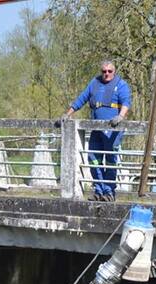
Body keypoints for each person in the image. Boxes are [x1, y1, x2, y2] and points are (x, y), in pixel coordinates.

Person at [58, 60, 131, 202]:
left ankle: (109, 192)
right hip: (96, 129)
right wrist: (68, 114)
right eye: (104, 71)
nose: (106, 74)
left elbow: (126, 102)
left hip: (112, 130)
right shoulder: (95, 83)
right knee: (94, 159)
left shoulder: (121, 84)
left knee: (110, 160)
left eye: (109, 71)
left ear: (114, 71)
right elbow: (82, 99)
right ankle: (98, 189)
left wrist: (120, 116)